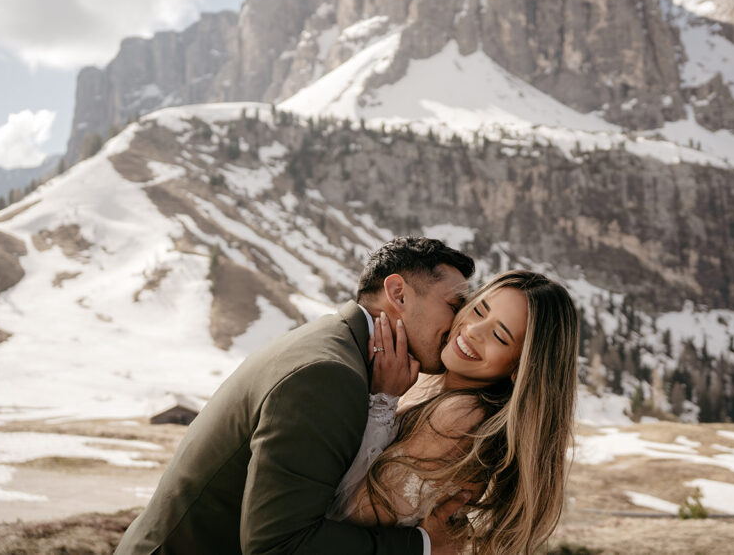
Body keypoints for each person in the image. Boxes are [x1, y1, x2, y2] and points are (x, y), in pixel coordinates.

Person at [115, 236, 475, 555]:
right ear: (398, 293)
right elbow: (279, 545)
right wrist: (423, 546)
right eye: (455, 305)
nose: (463, 323)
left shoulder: (338, 347)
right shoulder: (327, 374)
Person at [329, 270, 580, 555]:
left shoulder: (461, 416)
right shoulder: (434, 384)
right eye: (478, 310)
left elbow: (351, 517)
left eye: (499, 336)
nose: (473, 330)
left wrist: (382, 401)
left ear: (519, 368)